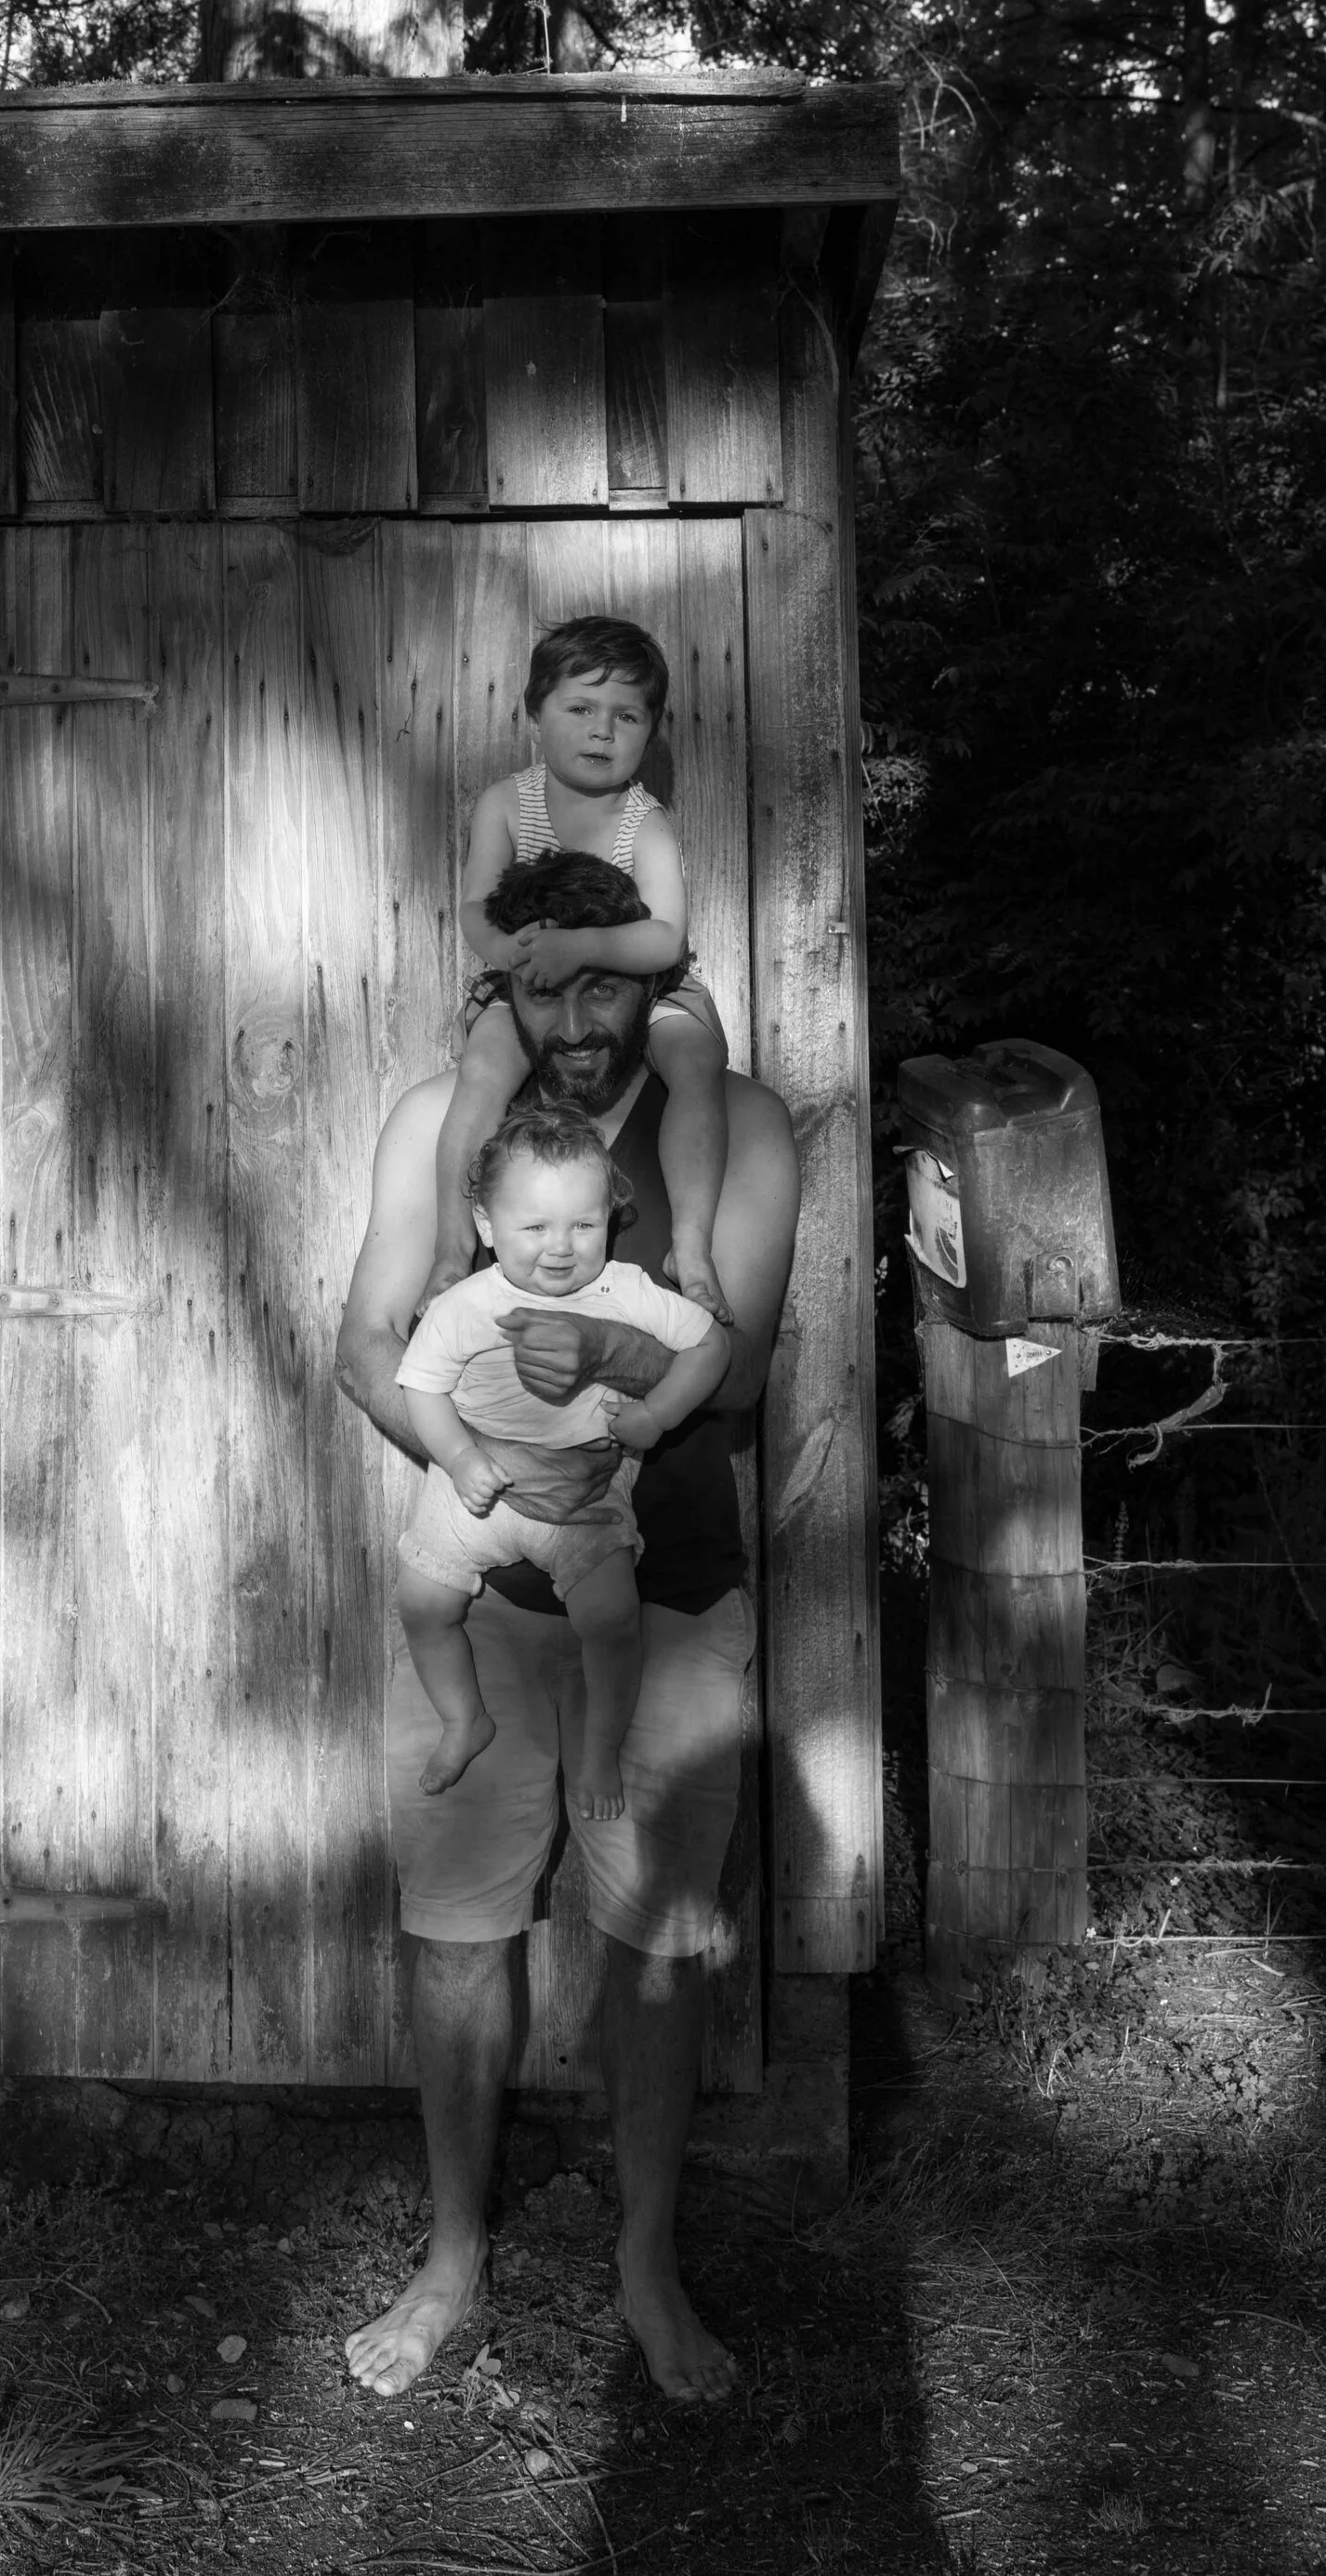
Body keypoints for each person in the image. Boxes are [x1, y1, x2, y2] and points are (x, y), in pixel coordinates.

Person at [335, 848, 801, 2409]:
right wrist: (500, 1492)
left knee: (656, 1943)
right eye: (541, 984)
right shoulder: (439, 1131)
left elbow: (728, 1374)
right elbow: (363, 1349)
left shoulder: (730, 1127)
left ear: (653, 975)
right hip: (487, 1606)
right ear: (502, 989)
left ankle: (645, 2264)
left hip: (667, 1604)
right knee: (458, 1938)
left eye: (605, 977)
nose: (574, 1014)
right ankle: (454, 2257)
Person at [395, 1105, 728, 1809]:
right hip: (470, 1488)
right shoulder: (466, 1303)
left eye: (584, 1224)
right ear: (486, 1227)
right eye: (534, 1226)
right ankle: (464, 1719)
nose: (561, 1246)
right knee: (423, 1604)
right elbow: (421, 1387)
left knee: (611, 1622)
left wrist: (655, 1414)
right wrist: (457, 1458)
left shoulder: (627, 1292)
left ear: (611, 1217)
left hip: (584, 1499)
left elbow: (710, 1347)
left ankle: (599, 1754)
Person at [429, 616, 731, 1321]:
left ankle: (689, 1242)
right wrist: (507, 955)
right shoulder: (507, 804)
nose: (602, 731)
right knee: (480, 1074)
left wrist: (586, 948)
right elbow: (475, 907)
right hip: (528, 978)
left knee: (694, 1063)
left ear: (650, 732)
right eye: (581, 709)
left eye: (626, 716)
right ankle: (450, 1248)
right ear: (535, 715)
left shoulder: (645, 821)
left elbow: (663, 938)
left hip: (644, 986)